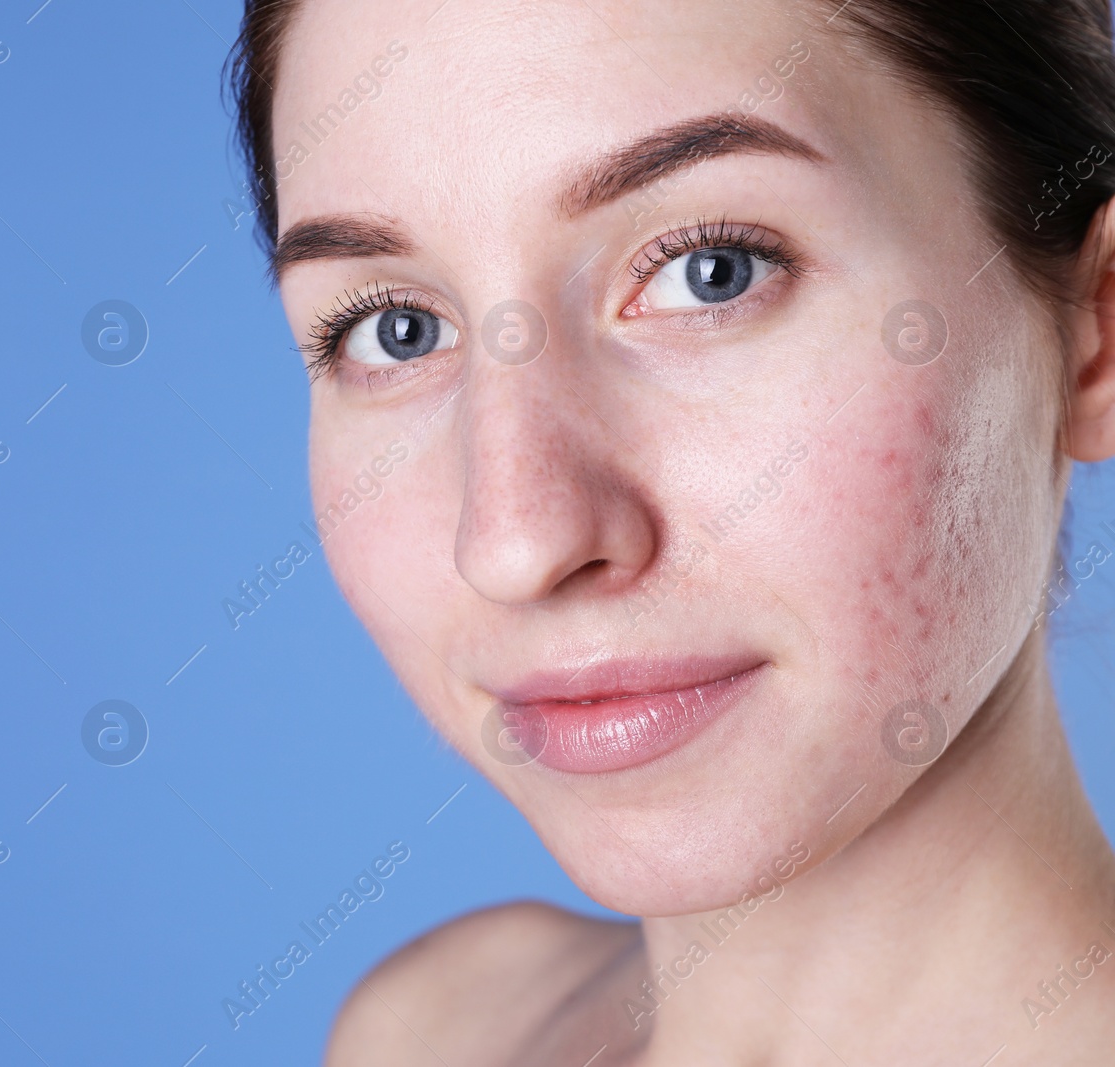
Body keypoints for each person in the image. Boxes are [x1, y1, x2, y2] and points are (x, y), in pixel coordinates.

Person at [228, 0, 1115, 1062]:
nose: (515, 541)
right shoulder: (436, 1028)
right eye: (394, 328)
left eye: (714, 269)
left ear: (1094, 325)